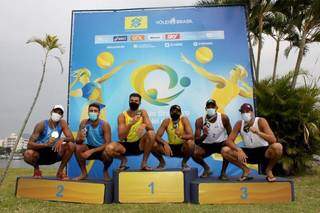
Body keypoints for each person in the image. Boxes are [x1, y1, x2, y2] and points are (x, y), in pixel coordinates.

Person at [221, 103, 283, 182]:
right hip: (247, 153)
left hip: (263, 152)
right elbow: (229, 141)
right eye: (243, 112)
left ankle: (268, 170)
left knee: (278, 147)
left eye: (247, 111)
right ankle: (245, 170)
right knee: (224, 150)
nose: (245, 113)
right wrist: (238, 149)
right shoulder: (239, 123)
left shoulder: (261, 121)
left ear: (252, 112)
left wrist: (258, 132)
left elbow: (273, 140)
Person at [105, 93, 156, 171]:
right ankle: (123, 159)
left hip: (139, 144)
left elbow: (151, 128)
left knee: (151, 133)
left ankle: (144, 163)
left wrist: (144, 125)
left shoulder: (142, 112)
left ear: (140, 103)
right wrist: (131, 123)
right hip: (125, 145)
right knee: (109, 148)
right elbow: (121, 137)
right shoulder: (122, 116)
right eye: (131, 100)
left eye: (136, 101)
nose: (133, 102)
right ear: (129, 101)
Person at [23, 105, 75, 180]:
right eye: (55, 112)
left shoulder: (62, 123)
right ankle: (37, 169)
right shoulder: (41, 125)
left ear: (62, 116)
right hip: (40, 154)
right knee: (28, 154)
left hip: (54, 151)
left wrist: (62, 139)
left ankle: (60, 171)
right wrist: (46, 144)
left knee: (71, 145)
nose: (57, 114)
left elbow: (71, 138)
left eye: (60, 113)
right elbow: (29, 145)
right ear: (51, 112)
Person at [193, 99, 232, 178]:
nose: (211, 108)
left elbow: (231, 135)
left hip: (220, 143)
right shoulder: (200, 121)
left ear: (216, 107)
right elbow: (196, 141)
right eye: (208, 107)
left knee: (228, 150)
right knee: (194, 152)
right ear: (206, 109)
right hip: (207, 145)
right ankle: (207, 168)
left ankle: (223, 173)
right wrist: (204, 135)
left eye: (212, 106)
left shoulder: (224, 118)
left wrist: (231, 145)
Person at [74, 102, 113, 181]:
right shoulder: (84, 123)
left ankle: (105, 171)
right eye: (91, 111)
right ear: (88, 112)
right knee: (77, 148)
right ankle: (84, 173)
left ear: (99, 113)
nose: (93, 112)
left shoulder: (104, 124)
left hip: (102, 149)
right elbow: (77, 141)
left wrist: (91, 151)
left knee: (109, 152)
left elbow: (108, 144)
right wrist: (81, 138)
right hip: (90, 146)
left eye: (95, 111)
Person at [153, 105, 194, 170]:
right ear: (170, 113)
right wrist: (165, 144)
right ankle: (162, 163)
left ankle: (184, 163)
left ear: (180, 113)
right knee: (153, 144)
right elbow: (157, 136)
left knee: (190, 143)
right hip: (170, 148)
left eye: (177, 111)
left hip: (182, 148)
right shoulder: (166, 121)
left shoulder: (184, 120)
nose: (175, 112)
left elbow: (191, 136)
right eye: (172, 111)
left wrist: (181, 135)